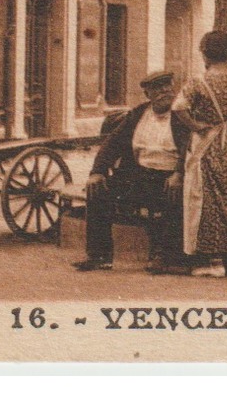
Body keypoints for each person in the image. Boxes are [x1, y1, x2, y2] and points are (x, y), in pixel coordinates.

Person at [75, 70, 191, 274]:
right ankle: (99, 256)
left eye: (167, 86)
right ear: (148, 94)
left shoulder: (181, 116)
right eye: (158, 88)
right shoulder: (138, 114)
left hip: (169, 176)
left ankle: (164, 256)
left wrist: (179, 174)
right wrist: (97, 171)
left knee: (173, 197)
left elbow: (189, 148)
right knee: (97, 190)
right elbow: (112, 143)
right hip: (138, 175)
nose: (165, 91)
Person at [170, 29, 227, 277]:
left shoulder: (200, 81)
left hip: (208, 144)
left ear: (205, 54)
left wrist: (197, 125)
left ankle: (214, 261)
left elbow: (179, 108)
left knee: (208, 199)